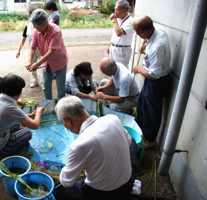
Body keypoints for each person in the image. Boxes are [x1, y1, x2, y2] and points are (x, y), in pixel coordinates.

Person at [53, 96, 138, 199]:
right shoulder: (112, 119)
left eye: (63, 122)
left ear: (67, 120)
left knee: (56, 188)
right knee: (132, 141)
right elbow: (128, 142)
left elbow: (67, 181)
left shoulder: (79, 145)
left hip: (105, 195)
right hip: (129, 182)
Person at [0, 74, 44, 163]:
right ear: (18, 92)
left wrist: (28, 115)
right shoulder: (10, 107)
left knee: (16, 124)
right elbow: (35, 125)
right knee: (27, 133)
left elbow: (7, 116)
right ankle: (4, 157)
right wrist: (38, 112)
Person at [133, 15, 171, 147]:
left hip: (156, 81)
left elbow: (155, 74)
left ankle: (149, 139)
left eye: (138, 33)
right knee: (142, 102)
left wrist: (138, 69)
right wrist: (145, 46)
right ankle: (140, 129)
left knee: (152, 110)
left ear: (142, 32)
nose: (138, 36)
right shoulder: (156, 31)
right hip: (151, 79)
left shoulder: (157, 46)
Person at [26, 9, 68, 100]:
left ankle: (62, 108)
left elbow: (51, 51)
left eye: (38, 26)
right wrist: (29, 60)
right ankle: (49, 105)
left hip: (59, 61)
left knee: (60, 88)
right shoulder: (36, 31)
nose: (36, 28)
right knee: (45, 86)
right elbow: (32, 47)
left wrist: (37, 64)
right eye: (35, 26)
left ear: (45, 23)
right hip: (46, 62)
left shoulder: (55, 30)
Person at [16, 7, 41, 88]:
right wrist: (19, 50)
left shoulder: (42, 25)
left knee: (44, 66)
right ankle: (35, 81)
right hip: (31, 47)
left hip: (41, 48)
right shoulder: (28, 26)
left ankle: (44, 81)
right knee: (31, 66)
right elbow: (23, 38)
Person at [107, 0, 134, 67]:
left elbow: (119, 33)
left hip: (122, 50)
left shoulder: (130, 21)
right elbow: (114, 34)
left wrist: (114, 20)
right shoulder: (118, 19)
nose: (115, 12)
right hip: (114, 47)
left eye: (117, 10)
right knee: (111, 69)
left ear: (124, 11)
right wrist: (110, 45)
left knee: (120, 69)